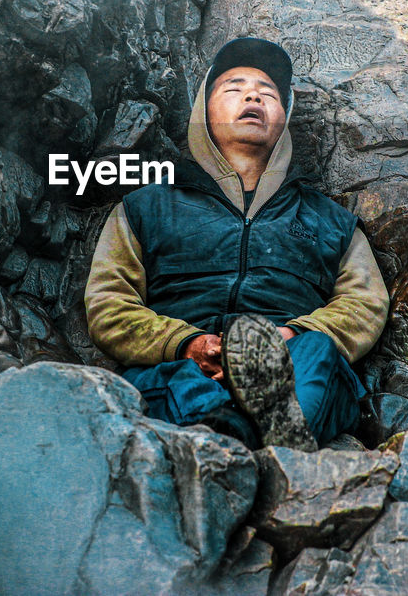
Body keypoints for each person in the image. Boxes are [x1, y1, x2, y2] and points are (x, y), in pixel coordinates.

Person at [84, 37, 389, 450]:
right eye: (234, 88)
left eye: (268, 93)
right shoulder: (145, 207)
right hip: (185, 366)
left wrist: (289, 336)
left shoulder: (331, 220)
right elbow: (109, 303)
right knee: (177, 380)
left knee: (318, 351)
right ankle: (246, 439)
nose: (252, 95)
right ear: (203, 111)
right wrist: (186, 344)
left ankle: (239, 442)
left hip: (293, 362)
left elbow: (365, 303)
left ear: (284, 116)